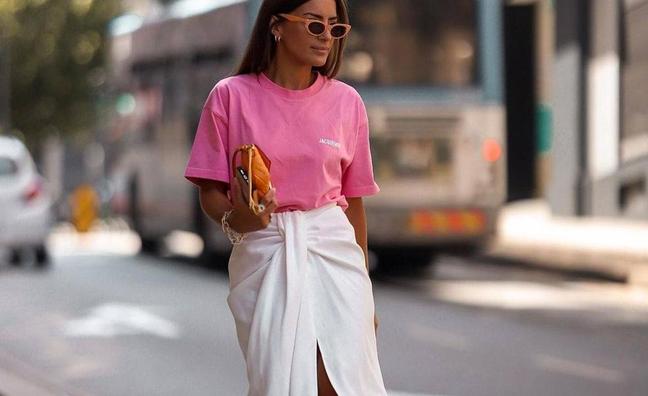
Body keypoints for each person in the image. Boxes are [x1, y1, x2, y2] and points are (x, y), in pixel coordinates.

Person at [184, 0, 387, 394]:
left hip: (335, 257)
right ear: (277, 26)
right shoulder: (229, 97)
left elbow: (354, 204)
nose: (326, 36)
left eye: (334, 27)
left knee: (340, 382)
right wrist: (238, 219)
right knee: (282, 381)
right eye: (314, 25)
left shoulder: (347, 104)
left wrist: (365, 292)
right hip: (265, 254)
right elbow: (211, 193)